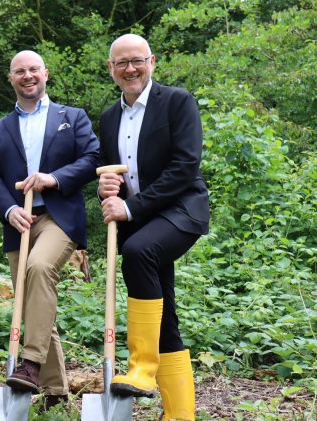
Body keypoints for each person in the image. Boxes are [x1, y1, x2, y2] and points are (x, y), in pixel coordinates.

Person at [97, 33, 209, 421]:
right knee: (166, 315)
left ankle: (143, 367)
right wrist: (105, 188)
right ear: (111, 70)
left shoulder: (177, 102)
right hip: (141, 220)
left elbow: (185, 166)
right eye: (121, 63)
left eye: (137, 60)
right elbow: (112, 175)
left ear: (152, 61)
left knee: (138, 251)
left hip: (181, 211)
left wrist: (130, 207)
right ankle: (181, 413)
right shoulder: (110, 117)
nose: (130, 69)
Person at [0, 50, 100, 408]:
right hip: (20, 220)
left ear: (45, 74)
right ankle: (56, 392)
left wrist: (54, 178)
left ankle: (29, 363)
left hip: (59, 217)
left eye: (34, 69)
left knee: (39, 268)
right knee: (32, 303)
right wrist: (8, 209)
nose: (28, 75)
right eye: (20, 71)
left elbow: (92, 157)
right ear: (11, 78)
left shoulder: (72, 117)